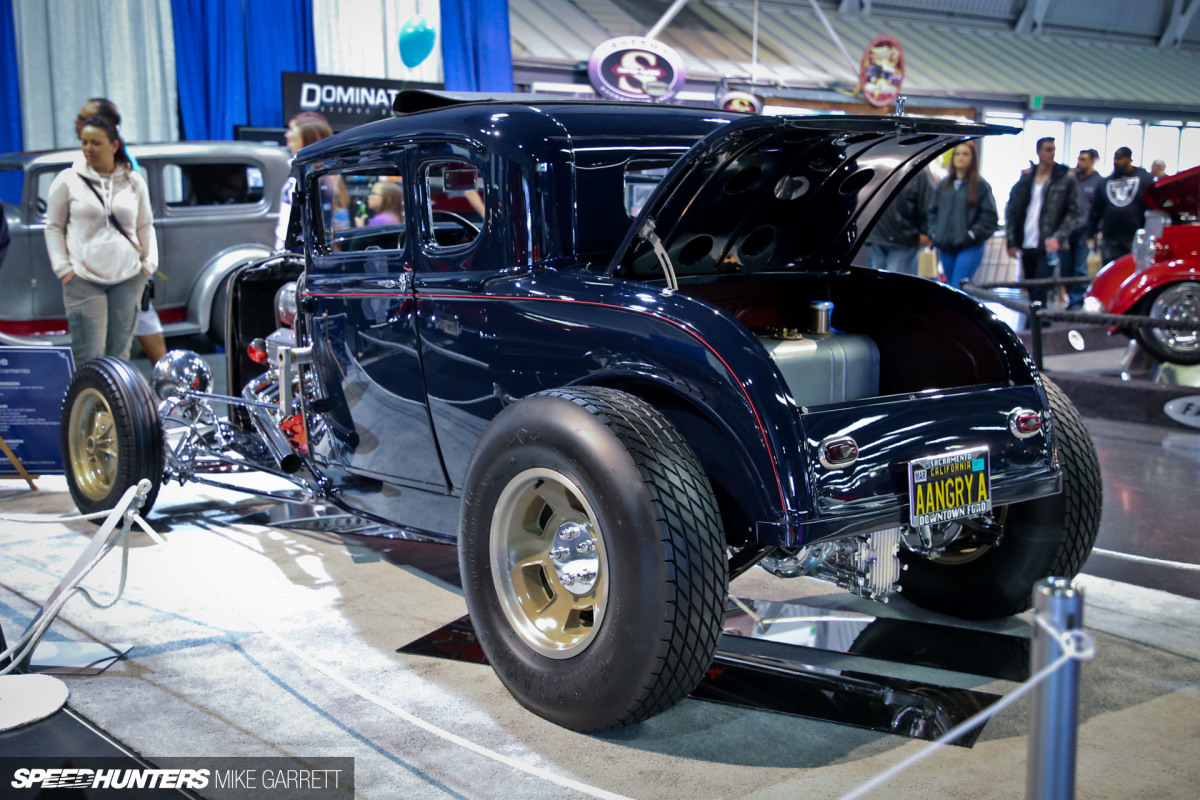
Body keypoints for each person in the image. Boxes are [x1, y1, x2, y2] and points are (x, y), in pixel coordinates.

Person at [45, 114, 158, 364]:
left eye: (95, 142)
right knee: (90, 357)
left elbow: (145, 225)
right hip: (83, 280)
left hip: (129, 278)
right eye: (84, 142)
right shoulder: (68, 180)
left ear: (113, 145)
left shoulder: (133, 180)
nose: (88, 149)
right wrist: (63, 269)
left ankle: (115, 405)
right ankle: (90, 403)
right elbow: (53, 227)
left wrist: (149, 264)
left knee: (120, 357)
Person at [76, 97, 166, 364]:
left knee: (129, 331)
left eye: (84, 118)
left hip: (120, 263)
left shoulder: (121, 164)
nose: (77, 123)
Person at [1005, 137, 1078, 310]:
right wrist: (1012, 242)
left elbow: (1073, 213)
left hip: (1048, 244)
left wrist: (1058, 237)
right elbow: (1013, 212)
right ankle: (1033, 327)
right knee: (1031, 289)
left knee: (1040, 289)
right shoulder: (1025, 181)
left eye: (1053, 149)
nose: (1052, 153)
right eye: (1048, 149)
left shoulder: (1065, 180)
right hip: (1026, 242)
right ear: (1038, 152)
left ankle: (1039, 328)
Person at [927, 142, 998, 287]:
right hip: (945, 245)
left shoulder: (980, 185)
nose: (960, 157)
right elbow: (932, 211)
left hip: (969, 246)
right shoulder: (943, 185)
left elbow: (989, 216)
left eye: (965, 154)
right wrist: (935, 233)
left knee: (959, 286)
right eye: (957, 154)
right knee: (949, 288)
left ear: (972, 158)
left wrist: (972, 234)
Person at [275, 112, 335, 250]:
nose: (286, 134)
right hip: (287, 243)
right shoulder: (297, 167)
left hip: (303, 248)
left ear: (306, 136)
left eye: (291, 129)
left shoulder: (317, 174)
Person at [1086, 146, 1155, 265]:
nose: (1116, 162)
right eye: (1114, 158)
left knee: (1131, 270)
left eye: (1119, 158)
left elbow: (1151, 207)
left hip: (1135, 238)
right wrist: (1091, 233)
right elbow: (1095, 211)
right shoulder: (1106, 183)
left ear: (1129, 159)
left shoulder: (1144, 179)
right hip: (1110, 239)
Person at [865, 168, 933, 275]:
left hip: (903, 238)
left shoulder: (919, 170)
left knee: (894, 283)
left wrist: (925, 231)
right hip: (878, 235)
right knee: (879, 284)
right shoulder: (880, 166)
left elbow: (929, 203)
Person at [1062, 148, 1103, 309]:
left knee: (1080, 268)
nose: (1080, 163)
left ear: (1093, 160)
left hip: (1084, 232)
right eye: (1078, 159)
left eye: (1084, 159)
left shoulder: (1098, 182)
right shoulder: (1072, 180)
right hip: (1066, 232)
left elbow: (1098, 210)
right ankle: (1070, 298)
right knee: (1065, 269)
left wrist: (1094, 232)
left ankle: (1076, 301)